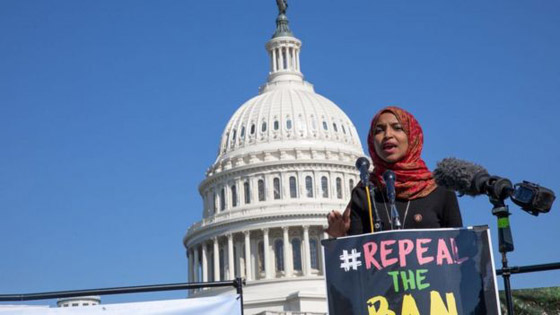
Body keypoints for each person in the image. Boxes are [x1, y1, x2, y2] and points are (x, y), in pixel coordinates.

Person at [326, 106, 462, 237]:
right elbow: (356, 253)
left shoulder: (439, 189)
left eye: (397, 128)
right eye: (379, 130)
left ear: (412, 136)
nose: (387, 135)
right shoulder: (365, 193)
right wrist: (342, 237)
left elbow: (459, 247)